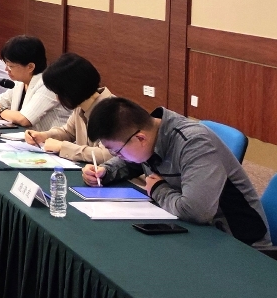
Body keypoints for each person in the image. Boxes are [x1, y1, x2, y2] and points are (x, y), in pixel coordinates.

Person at [83, 97, 270, 247]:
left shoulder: (195, 144)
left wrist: (158, 189)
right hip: (196, 232)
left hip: (240, 244)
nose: (118, 156)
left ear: (140, 138)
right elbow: (134, 160)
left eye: (117, 151)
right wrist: (105, 171)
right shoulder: (151, 132)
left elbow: (196, 211)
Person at [0, 35, 70, 131]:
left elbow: (25, 119)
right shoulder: (22, 81)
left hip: (50, 144)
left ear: (30, 67)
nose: (6, 69)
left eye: (10, 66)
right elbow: (2, 101)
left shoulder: (47, 84)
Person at [24, 53, 115, 163]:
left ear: (72, 90)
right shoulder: (82, 105)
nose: (57, 98)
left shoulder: (113, 111)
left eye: (59, 93)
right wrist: (44, 135)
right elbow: (68, 132)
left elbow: (106, 155)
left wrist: (62, 147)